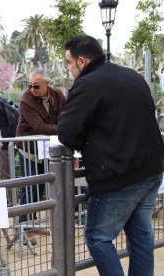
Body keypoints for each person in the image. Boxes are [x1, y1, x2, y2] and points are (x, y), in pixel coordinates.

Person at [58, 34, 164, 276]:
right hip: (151, 170)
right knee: (141, 237)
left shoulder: (87, 85)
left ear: (82, 61)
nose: (68, 67)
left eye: (68, 62)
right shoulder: (130, 76)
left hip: (119, 176)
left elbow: (68, 133)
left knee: (97, 236)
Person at [16, 68, 66, 244]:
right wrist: (65, 129)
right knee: (30, 187)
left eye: (36, 85)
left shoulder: (58, 95)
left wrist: (66, 125)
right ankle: (23, 227)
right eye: (29, 85)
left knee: (41, 188)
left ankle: (32, 223)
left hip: (46, 149)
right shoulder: (26, 99)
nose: (32, 89)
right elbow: (39, 127)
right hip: (29, 149)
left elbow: (66, 116)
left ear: (47, 84)